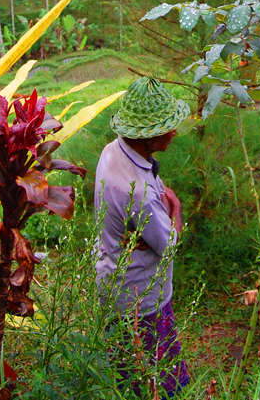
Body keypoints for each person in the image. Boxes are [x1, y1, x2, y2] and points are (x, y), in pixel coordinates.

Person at [94, 75, 191, 397]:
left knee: (127, 364)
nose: (175, 131)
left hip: (113, 275)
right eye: (168, 126)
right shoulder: (141, 196)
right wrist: (174, 210)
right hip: (140, 295)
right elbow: (168, 245)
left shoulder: (113, 152)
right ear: (148, 137)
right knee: (153, 377)